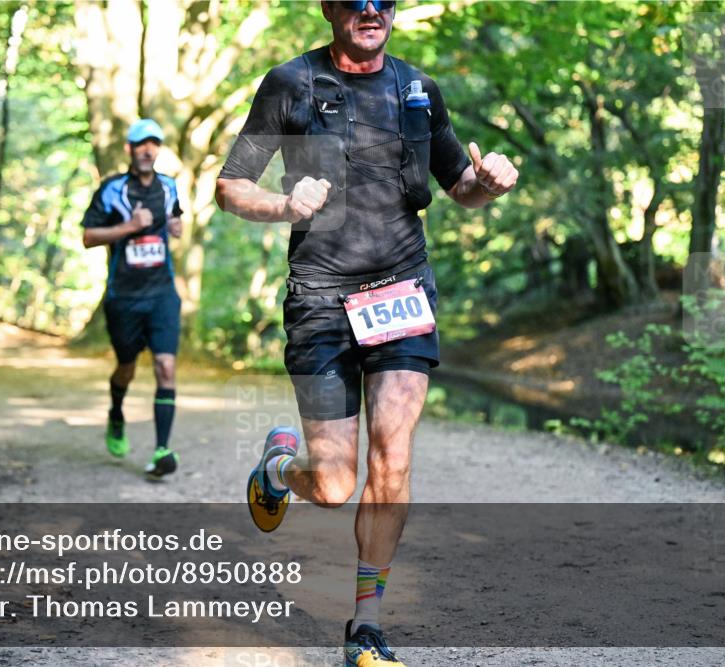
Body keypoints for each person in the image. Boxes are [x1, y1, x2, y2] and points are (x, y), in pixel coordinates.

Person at [215, 2, 519, 664]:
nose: (371, 11)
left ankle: (366, 623)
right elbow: (231, 186)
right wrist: (282, 205)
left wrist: (488, 183)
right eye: (355, 1)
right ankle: (277, 466)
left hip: (402, 292)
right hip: (320, 299)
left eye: (383, 0)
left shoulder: (416, 89)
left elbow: (460, 185)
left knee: (394, 455)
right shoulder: (291, 84)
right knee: (330, 483)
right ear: (329, 9)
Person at [82, 119, 184, 480]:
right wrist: (129, 226)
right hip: (123, 296)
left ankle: (161, 449)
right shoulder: (111, 190)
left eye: (154, 144)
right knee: (126, 367)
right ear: (130, 149)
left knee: (165, 367)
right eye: (142, 144)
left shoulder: (169, 186)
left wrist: (176, 227)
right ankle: (116, 412)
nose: (148, 150)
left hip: (162, 294)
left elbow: (177, 220)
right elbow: (89, 236)